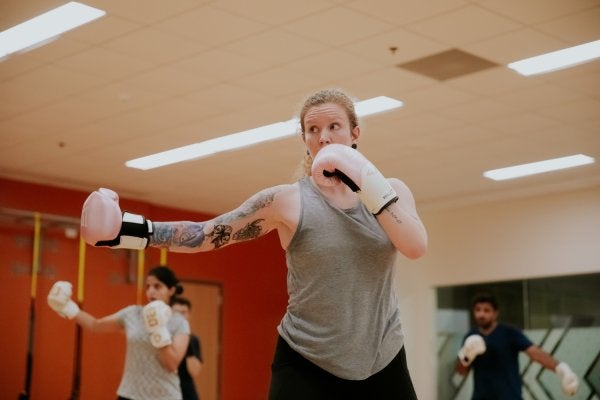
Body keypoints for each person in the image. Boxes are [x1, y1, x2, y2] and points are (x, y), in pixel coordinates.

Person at [79, 88, 428, 400]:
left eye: (334, 126)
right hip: (307, 359)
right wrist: (130, 230)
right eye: (313, 129)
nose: (323, 137)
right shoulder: (287, 201)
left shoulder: (394, 191)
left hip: (382, 358)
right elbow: (210, 233)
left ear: (355, 133)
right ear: (304, 139)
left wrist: (369, 182)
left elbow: (415, 246)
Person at [47, 265, 190, 400]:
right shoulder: (133, 313)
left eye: (157, 286)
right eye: (148, 286)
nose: (151, 291)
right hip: (129, 393)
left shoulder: (179, 323)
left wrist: (158, 329)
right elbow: (95, 325)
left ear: (171, 290)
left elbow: (171, 365)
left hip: (164, 396)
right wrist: (67, 307)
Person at [456, 292, 579, 399]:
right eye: (477, 310)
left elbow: (535, 353)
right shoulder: (470, 336)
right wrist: (466, 356)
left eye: (486, 310)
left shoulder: (509, 332)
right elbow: (461, 371)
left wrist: (561, 369)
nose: (481, 314)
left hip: (509, 397)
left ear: (495, 313)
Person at [171, 296, 203, 400]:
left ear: (189, 315)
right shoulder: (163, 337)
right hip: (165, 391)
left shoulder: (193, 340)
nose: (180, 317)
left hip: (186, 393)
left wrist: (187, 342)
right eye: (176, 313)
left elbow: (194, 372)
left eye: (184, 312)